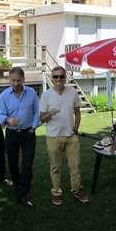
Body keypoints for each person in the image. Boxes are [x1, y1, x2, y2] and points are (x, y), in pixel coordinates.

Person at [40, 66, 90, 206]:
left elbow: (77, 113)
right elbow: (41, 118)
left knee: (75, 165)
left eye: (61, 76)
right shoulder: (46, 95)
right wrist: (51, 113)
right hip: (53, 137)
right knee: (55, 167)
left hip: (70, 137)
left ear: (65, 77)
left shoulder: (72, 91)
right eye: (55, 76)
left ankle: (76, 190)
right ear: (51, 78)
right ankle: (56, 192)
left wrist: (76, 128)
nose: (58, 79)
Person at [0, 67, 39, 207]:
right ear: (9, 80)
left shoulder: (32, 93)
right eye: (13, 80)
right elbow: (1, 115)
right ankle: (19, 188)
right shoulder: (4, 95)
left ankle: (23, 193)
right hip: (12, 134)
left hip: (28, 133)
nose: (15, 83)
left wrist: (33, 127)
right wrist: (7, 120)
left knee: (27, 165)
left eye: (18, 80)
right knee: (13, 165)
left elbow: (36, 112)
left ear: (23, 79)